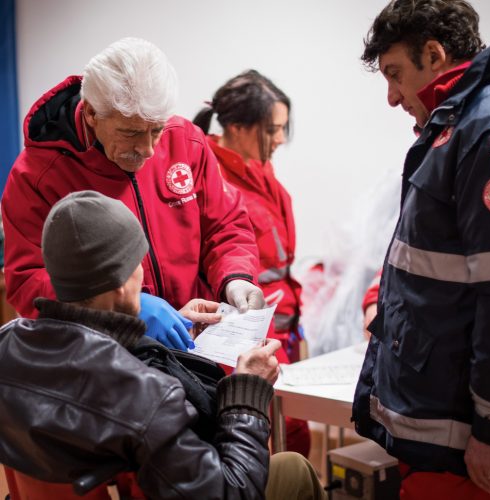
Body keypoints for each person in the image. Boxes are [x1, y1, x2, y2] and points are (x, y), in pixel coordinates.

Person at [0, 190, 326, 500]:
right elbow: (229, 492)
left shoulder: (9, 344)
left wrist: (161, 347)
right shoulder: (143, 393)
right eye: (136, 263)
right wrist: (247, 395)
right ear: (121, 283)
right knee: (295, 469)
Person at [1, 37, 265, 353]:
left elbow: (226, 226)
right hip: (105, 358)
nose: (149, 149)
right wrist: (123, 308)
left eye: (156, 130)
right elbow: (29, 283)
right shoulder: (37, 176)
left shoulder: (186, 141)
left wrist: (236, 278)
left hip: (194, 346)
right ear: (91, 115)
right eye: (130, 133)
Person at [351, 1, 490, 499]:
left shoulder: (484, 130)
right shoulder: (452, 126)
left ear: (434, 55)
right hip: (438, 412)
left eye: (395, 75)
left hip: (464, 438)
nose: (392, 98)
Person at [193, 70, 310, 457]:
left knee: (294, 437)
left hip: (281, 329)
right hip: (242, 339)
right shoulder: (211, 177)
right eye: (272, 129)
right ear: (239, 127)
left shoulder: (260, 170)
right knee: (269, 441)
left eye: (282, 129)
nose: (279, 139)